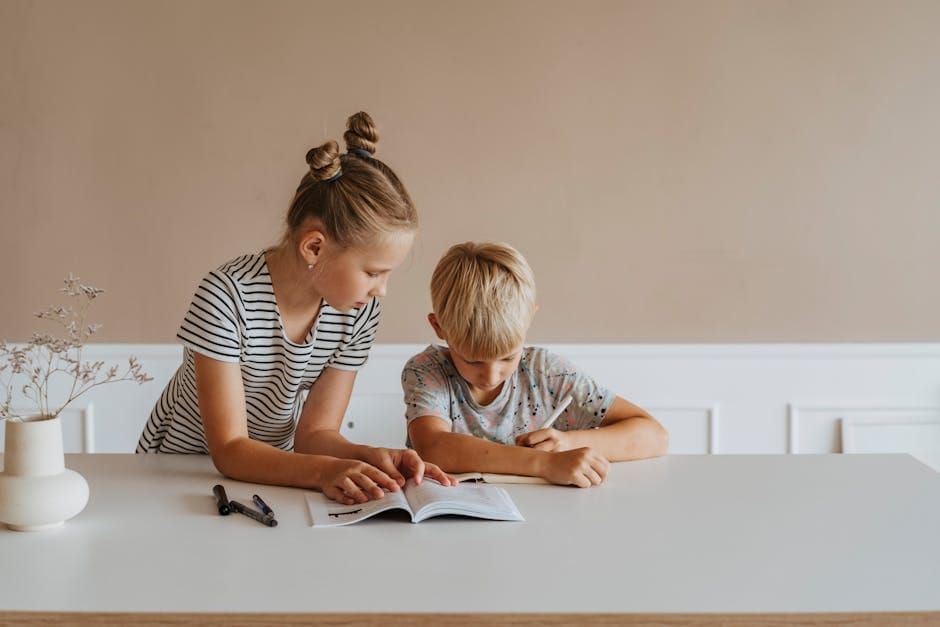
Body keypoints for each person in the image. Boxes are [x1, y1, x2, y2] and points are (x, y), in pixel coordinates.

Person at [138, 111, 454, 504]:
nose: (382, 290)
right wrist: (326, 471)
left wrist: (374, 457)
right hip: (175, 476)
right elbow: (230, 449)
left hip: (272, 474)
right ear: (315, 247)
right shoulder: (225, 297)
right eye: (373, 272)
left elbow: (314, 436)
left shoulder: (357, 312)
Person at [402, 242, 668, 487]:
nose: (491, 376)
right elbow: (434, 447)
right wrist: (545, 463)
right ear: (438, 327)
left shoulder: (547, 372)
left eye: (507, 357)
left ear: (529, 319)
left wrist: (566, 443)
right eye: (472, 360)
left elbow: (655, 436)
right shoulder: (427, 370)